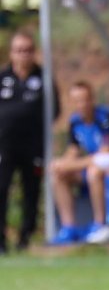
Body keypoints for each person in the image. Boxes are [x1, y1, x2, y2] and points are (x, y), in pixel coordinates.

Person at [0, 30, 59, 253]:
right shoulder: (3, 78)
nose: (24, 55)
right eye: (19, 50)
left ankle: (25, 238)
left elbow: (54, 110)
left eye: (28, 50)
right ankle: (1, 241)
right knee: (1, 189)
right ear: (12, 53)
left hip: (33, 146)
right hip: (5, 145)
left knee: (31, 192)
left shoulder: (43, 79)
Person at [49, 81, 109, 244]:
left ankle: (100, 224)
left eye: (86, 99)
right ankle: (68, 227)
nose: (82, 104)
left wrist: (72, 165)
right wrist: (61, 163)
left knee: (93, 172)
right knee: (59, 175)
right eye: (78, 101)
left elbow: (106, 153)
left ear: (92, 99)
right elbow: (73, 151)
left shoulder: (106, 118)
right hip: (92, 165)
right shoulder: (75, 121)